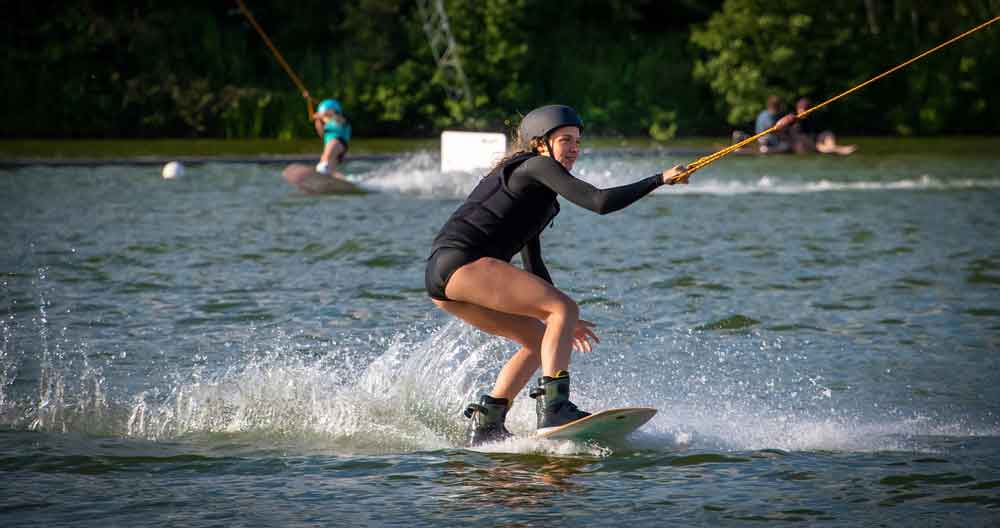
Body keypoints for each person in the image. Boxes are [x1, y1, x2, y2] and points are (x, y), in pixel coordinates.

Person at [424, 105, 692, 445]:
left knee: (539, 342)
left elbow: (532, 262)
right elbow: (599, 201)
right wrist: (659, 179)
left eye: (578, 142)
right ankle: (555, 409)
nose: (574, 149)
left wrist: (555, 318)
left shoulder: (538, 195)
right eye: (565, 140)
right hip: (463, 262)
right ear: (540, 144)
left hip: (445, 278)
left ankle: (488, 423)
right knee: (563, 309)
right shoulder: (534, 166)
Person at [790, 98, 858, 155]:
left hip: (815, 139)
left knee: (827, 133)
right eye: (801, 109)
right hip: (804, 143)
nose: (803, 111)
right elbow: (799, 136)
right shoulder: (793, 120)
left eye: (805, 109)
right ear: (797, 109)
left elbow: (820, 131)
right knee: (818, 145)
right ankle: (839, 150)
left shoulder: (813, 118)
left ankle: (833, 148)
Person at [312, 98, 352, 177]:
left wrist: (324, 113)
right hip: (332, 149)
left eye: (326, 114)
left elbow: (336, 118)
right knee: (327, 165)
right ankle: (341, 179)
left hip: (339, 144)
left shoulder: (342, 119)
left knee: (330, 150)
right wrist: (317, 120)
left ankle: (323, 169)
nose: (325, 118)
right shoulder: (326, 125)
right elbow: (321, 134)